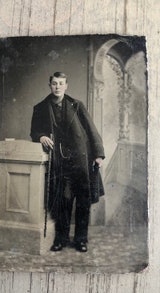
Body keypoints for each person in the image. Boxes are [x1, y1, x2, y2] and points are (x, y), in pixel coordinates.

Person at [30, 72, 105, 252]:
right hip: (60, 163)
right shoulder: (40, 107)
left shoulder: (77, 105)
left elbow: (92, 130)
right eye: (54, 83)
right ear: (50, 85)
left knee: (83, 201)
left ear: (66, 86)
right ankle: (61, 239)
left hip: (81, 159)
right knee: (63, 201)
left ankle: (81, 240)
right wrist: (40, 137)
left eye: (61, 83)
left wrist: (99, 155)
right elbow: (34, 131)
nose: (57, 87)